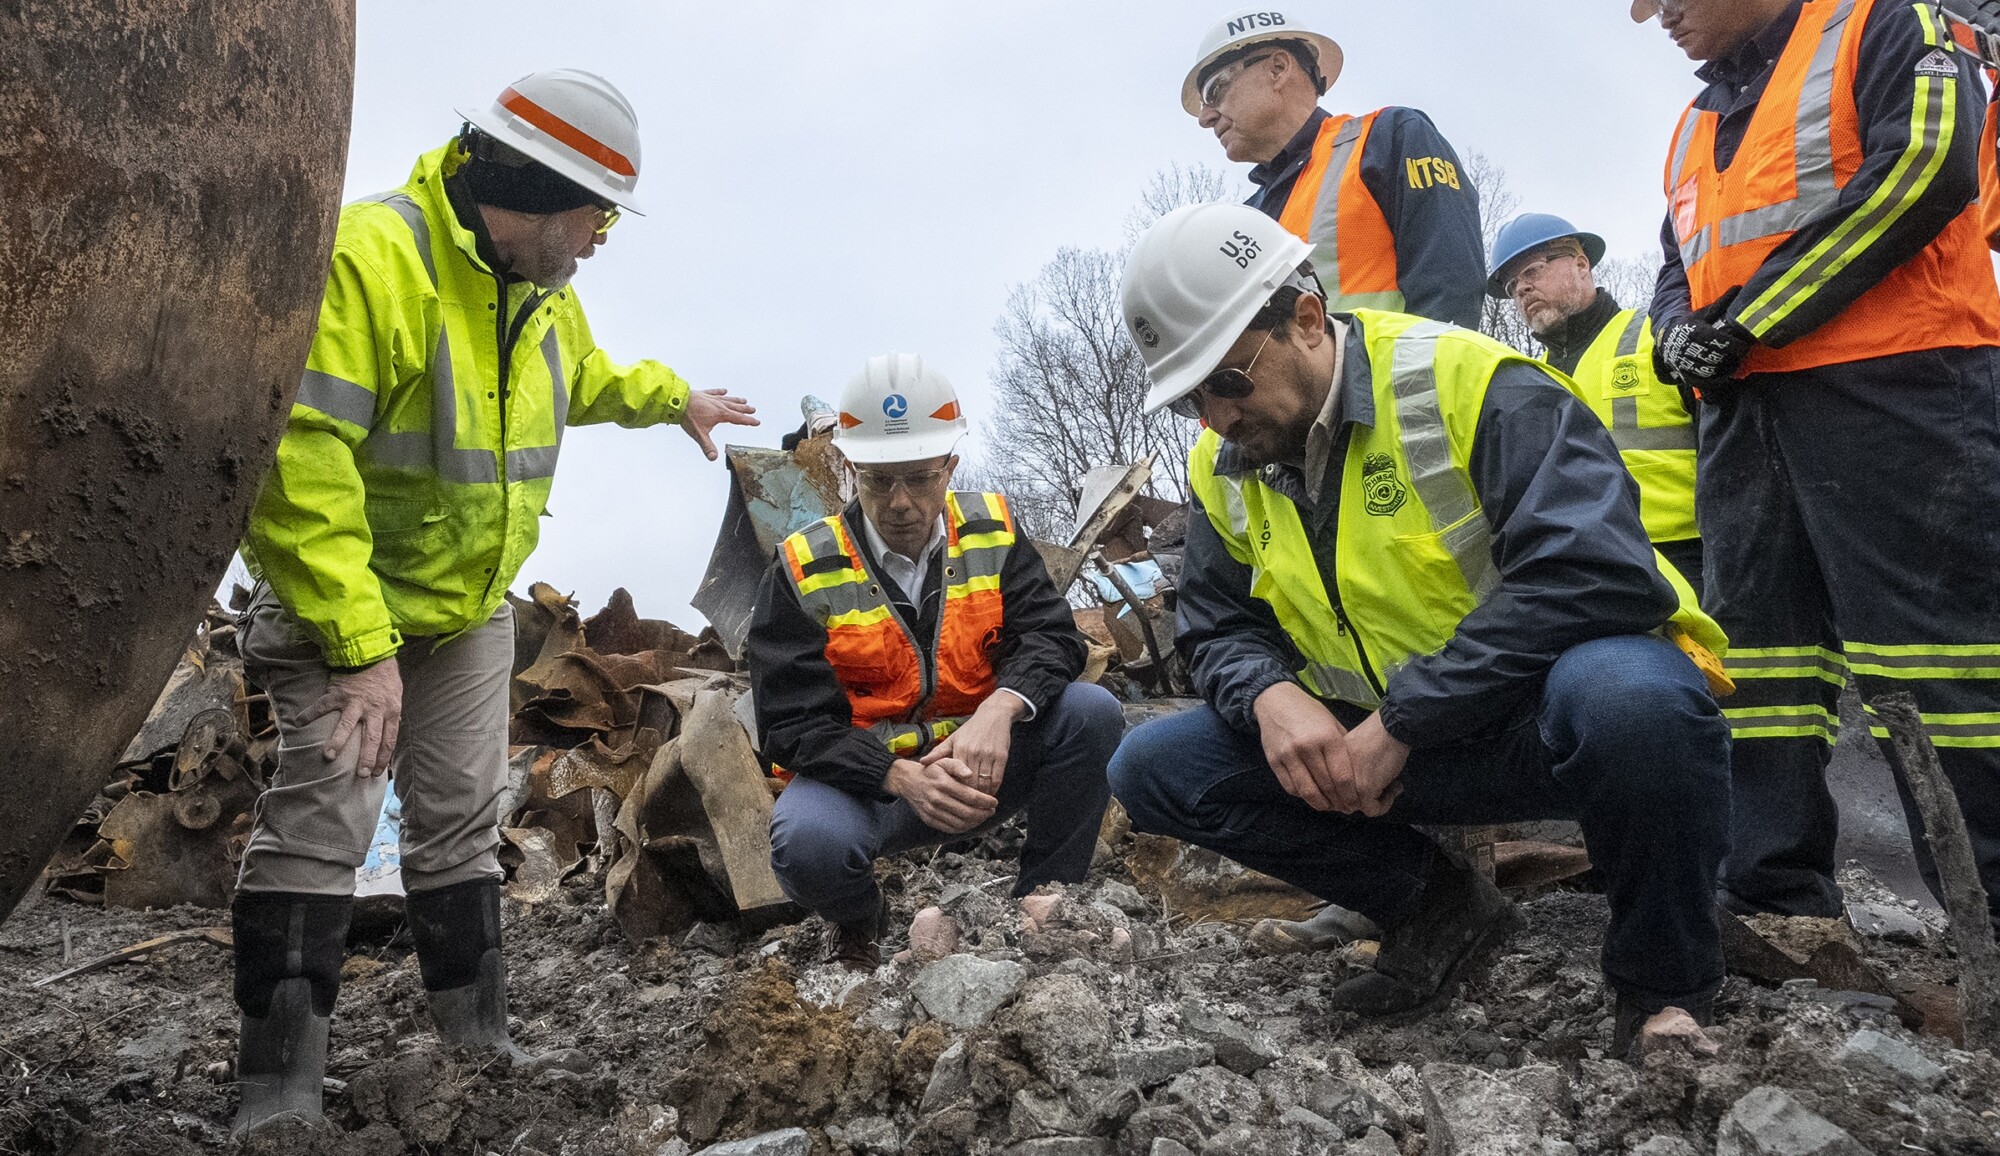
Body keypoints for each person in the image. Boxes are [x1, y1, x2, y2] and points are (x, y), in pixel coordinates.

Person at [230, 69, 758, 1134]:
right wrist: (357, 644)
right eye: (596, 214)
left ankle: (479, 1051)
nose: (602, 239)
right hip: (347, 610)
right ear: (533, 191)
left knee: (461, 821)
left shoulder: (540, 290)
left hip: (465, 610)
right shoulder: (370, 260)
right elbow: (295, 456)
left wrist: (676, 401)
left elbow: (590, 377)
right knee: (323, 819)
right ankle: (277, 1092)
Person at [1109, 202, 1734, 1056]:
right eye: (1190, 402)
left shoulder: (1475, 384)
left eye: (1228, 381)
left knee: (1635, 703)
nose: (1217, 419)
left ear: (1304, 318)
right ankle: (1439, 909)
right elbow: (1215, 627)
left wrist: (1407, 719)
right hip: (1387, 756)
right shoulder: (1224, 466)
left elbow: (1595, 573)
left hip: (1536, 725)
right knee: (1156, 765)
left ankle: (1663, 985)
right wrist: (1270, 697)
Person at [1636, 0, 2000, 929]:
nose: (1658, 18)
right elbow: (1679, 261)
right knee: (1762, 659)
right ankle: (1775, 893)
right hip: (1747, 408)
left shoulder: (1887, 23)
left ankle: (1989, 907)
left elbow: (1926, 169)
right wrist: (1679, 334)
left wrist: (1748, 322)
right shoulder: (1693, 123)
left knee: (1937, 659)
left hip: (1895, 385)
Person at [747, 355, 1121, 970]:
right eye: (879, 480)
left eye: (920, 478)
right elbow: (791, 724)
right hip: (875, 791)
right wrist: (899, 777)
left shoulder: (993, 531)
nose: (900, 503)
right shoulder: (801, 568)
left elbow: (1054, 639)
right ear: (849, 467)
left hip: (982, 767)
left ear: (950, 465)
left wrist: (1000, 710)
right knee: (807, 844)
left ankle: (1045, 901)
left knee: (1091, 712)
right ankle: (861, 919)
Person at [1182, 7, 1485, 328]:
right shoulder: (1248, 219)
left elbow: (1451, 292)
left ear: (1278, 68)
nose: (1205, 118)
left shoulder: (1388, 140)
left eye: (1214, 91)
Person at [1488, 213, 1702, 597]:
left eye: (1532, 271)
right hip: (1584, 567)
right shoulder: (1530, 380)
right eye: (1512, 283)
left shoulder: (1654, 336)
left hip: (1688, 557)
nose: (1521, 289)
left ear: (1581, 264)